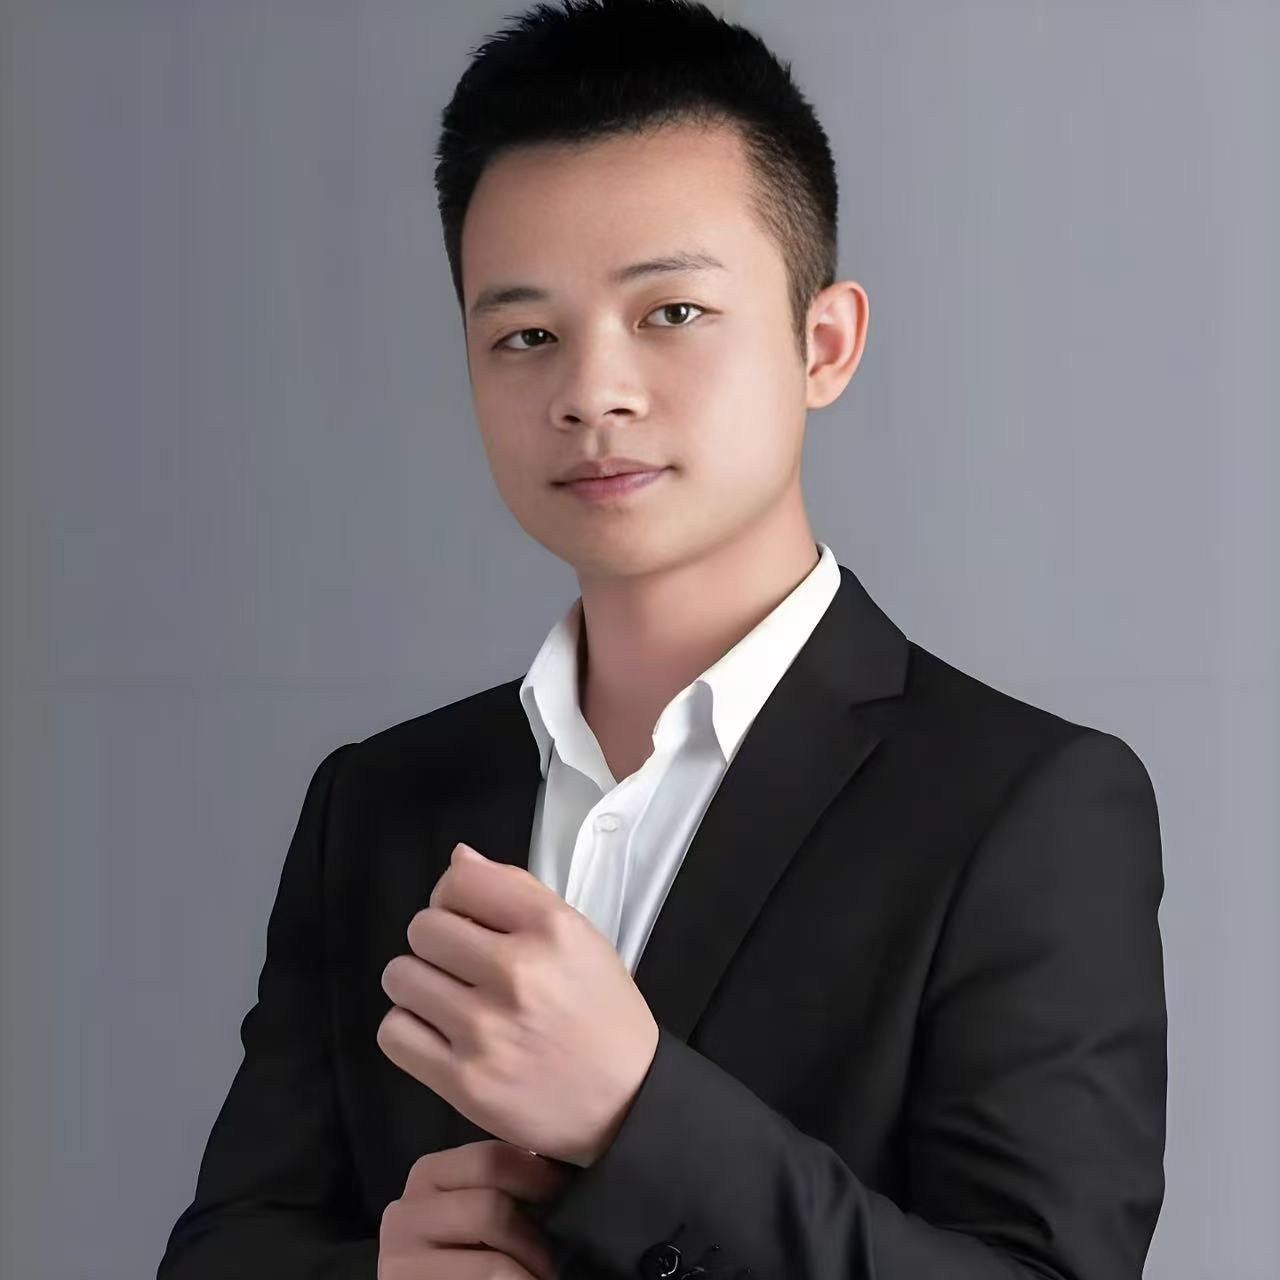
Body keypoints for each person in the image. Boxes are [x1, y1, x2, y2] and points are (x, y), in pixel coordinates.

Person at [157, 2, 1167, 1277]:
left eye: (671, 312)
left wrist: (637, 1113)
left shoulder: (1025, 804)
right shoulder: (378, 800)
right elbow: (224, 1248)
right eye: (525, 335)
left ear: (822, 343)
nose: (591, 391)